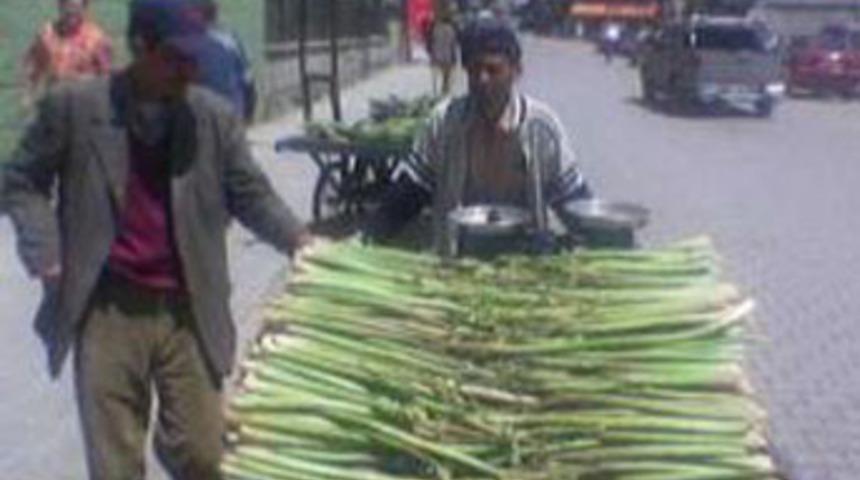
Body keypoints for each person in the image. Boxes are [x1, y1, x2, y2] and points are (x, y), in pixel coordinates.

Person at [1, 0, 310, 478]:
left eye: (195, 57)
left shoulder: (212, 118)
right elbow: (19, 181)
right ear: (140, 47)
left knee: (203, 453)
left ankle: (173, 440)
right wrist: (45, 252)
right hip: (107, 307)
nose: (190, 69)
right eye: (176, 58)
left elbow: (251, 194)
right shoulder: (77, 110)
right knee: (114, 464)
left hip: (187, 306)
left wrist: (299, 241)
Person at [366, 19, 592, 255]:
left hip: (524, 265)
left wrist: (603, 245)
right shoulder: (444, 122)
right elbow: (411, 191)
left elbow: (573, 199)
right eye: (474, 71)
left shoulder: (541, 128)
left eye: (493, 70)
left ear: (516, 71)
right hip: (458, 260)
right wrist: (368, 237)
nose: (482, 80)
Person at [22, 0, 112, 98]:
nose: (71, 12)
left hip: (85, 103)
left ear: (84, 8)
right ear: (60, 6)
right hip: (55, 101)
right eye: (67, 9)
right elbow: (33, 69)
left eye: (76, 9)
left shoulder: (96, 38)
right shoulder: (47, 35)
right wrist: (28, 96)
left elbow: (105, 78)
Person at [190, 0, 258, 122]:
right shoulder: (231, 40)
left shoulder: (189, 42)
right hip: (231, 111)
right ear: (216, 15)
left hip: (201, 116)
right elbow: (247, 78)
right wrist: (249, 110)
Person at [428, 14, 459, 96]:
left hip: (437, 55)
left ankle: (443, 90)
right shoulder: (451, 30)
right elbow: (453, 44)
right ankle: (445, 91)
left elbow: (432, 42)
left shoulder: (436, 29)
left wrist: (431, 55)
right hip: (447, 56)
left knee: (442, 75)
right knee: (447, 76)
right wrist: (455, 58)